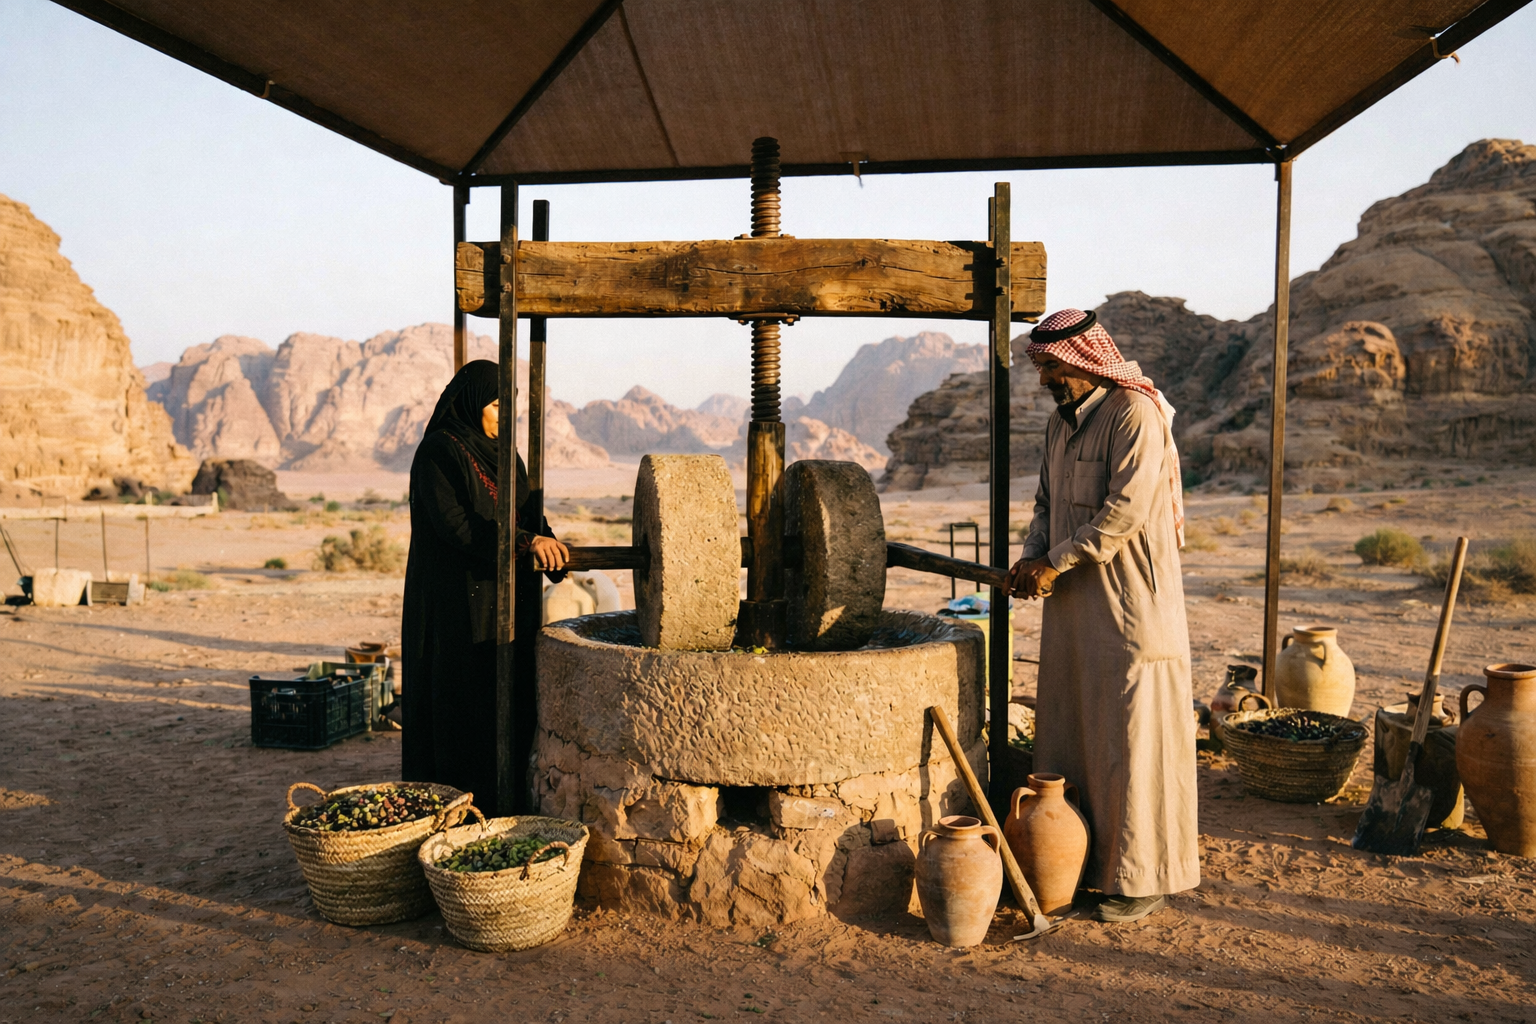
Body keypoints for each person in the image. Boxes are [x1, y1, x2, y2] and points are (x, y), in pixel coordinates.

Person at [1006, 308, 1198, 923]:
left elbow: (1125, 512)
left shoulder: (1134, 415)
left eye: (1052, 366)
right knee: (1073, 731)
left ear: (1085, 360)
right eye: (1040, 367)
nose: (1044, 380)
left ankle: (1141, 878)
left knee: (1130, 740)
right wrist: (1032, 555)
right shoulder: (1059, 427)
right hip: (1071, 604)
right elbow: (1044, 502)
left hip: (1129, 605)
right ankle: (1082, 866)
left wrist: (1053, 563)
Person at [401, 359, 568, 811]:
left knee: (509, 699)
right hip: (460, 602)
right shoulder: (439, 452)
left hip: (509, 600)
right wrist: (523, 542)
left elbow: (529, 512)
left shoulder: (507, 455)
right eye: (496, 404)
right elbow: (456, 527)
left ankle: (506, 806)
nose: (503, 414)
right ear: (473, 404)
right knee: (465, 704)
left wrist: (546, 543)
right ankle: (459, 812)